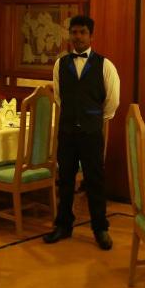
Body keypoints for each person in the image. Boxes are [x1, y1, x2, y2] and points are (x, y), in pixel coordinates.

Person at [44, 15, 120, 250]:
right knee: (65, 180)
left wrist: (93, 118)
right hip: (67, 131)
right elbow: (59, 97)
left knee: (94, 180)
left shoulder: (105, 65)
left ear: (91, 36)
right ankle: (63, 225)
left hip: (91, 132)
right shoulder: (60, 64)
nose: (77, 36)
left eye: (82, 32)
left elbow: (112, 101)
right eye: (74, 32)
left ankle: (100, 228)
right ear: (69, 34)